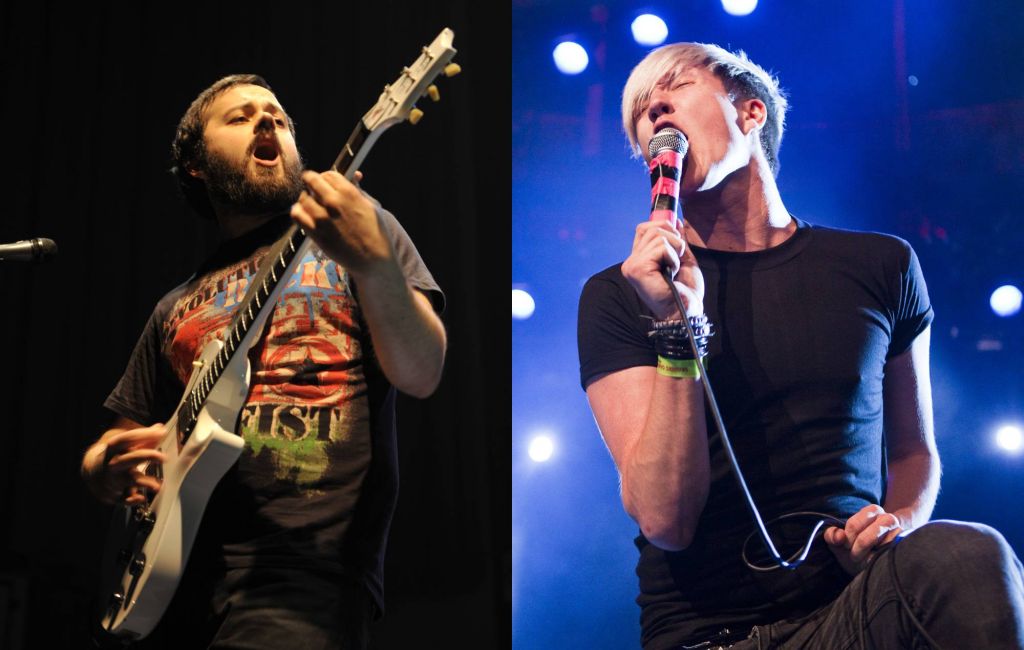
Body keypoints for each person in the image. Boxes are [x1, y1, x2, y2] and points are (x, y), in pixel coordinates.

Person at [577, 43, 1024, 649]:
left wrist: (891, 526)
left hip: (854, 608)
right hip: (713, 636)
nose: (654, 108)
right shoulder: (620, 293)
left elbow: (915, 452)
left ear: (751, 112)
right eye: (640, 113)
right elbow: (666, 520)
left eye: (675, 86)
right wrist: (677, 327)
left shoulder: (880, 265)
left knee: (967, 555)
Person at [80, 74, 446, 649]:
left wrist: (375, 266)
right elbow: (121, 439)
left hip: (302, 575)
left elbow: (422, 370)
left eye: (278, 114)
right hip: (169, 581)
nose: (268, 120)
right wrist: (102, 466)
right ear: (198, 165)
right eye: (240, 116)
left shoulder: (353, 229)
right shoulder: (172, 306)